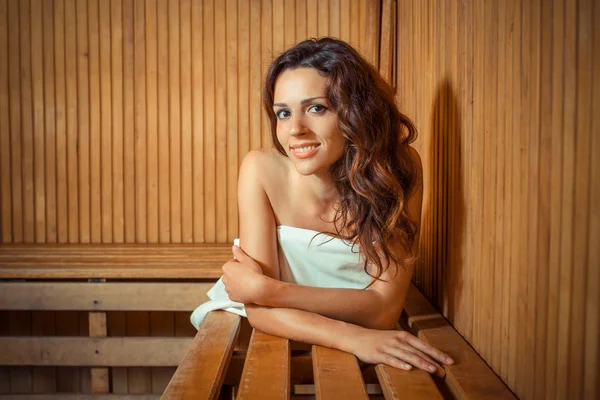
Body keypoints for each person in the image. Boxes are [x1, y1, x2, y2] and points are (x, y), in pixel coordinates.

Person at [191, 37, 454, 377]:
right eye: (283, 113)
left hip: (349, 330)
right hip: (266, 334)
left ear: (356, 110)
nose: (295, 129)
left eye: (316, 108)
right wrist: (352, 336)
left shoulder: (399, 170)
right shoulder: (261, 170)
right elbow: (258, 311)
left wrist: (270, 290)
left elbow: (383, 310)